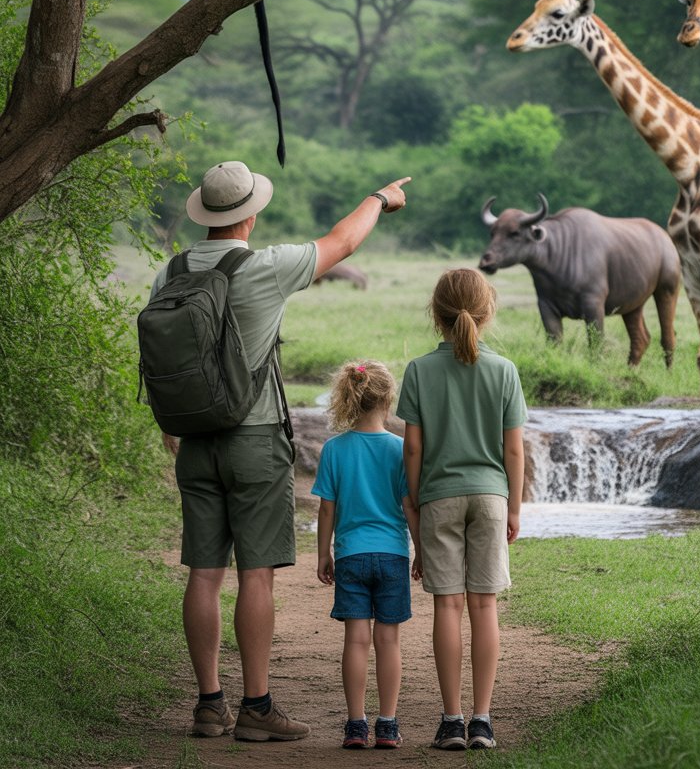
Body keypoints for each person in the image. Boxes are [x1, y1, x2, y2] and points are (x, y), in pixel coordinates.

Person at [152, 160, 410, 742]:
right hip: (255, 437)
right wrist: (380, 196)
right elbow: (342, 242)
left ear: (205, 214)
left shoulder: (170, 272)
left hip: (193, 440)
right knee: (257, 576)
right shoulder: (266, 267)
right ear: (250, 214)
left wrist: (171, 424)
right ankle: (257, 707)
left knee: (203, 572)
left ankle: (208, 704)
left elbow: (163, 357)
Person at [397, 267, 527, 751]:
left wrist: (415, 497)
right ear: (487, 311)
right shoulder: (505, 371)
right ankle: (482, 720)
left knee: (447, 606)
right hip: (492, 497)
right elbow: (514, 451)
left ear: (437, 316)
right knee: (484, 605)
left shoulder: (418, 370)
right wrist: (514, 507)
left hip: (439, 497)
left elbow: (412, 448)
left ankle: (451, 720)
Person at [313, 359, 420, 750]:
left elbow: (327, 508)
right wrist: (420, 550)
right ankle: (387, 725)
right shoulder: (399, 450)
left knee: (356, 641)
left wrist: (323, 553)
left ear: (346, 398)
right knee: (388, 642)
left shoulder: (334, 449)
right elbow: (410, 506)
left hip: (350, 557)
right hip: (392, 555)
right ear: (389, 401)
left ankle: (356, 725)